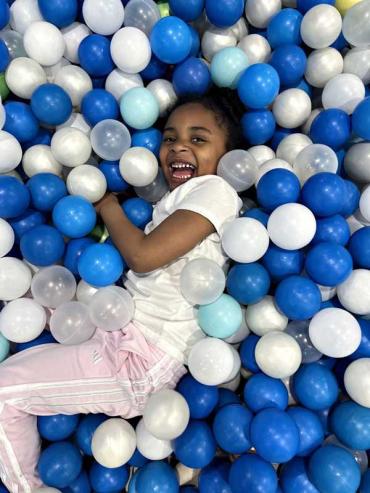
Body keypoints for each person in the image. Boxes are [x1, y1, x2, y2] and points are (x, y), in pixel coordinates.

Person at [0, 88, 244, 492]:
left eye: (198, 139)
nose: (178, 147)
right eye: (170, 138)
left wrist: (107, 205)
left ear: (229, 158)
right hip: (117, 331)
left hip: (137, 364)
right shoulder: (176, 199)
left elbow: (144, 256)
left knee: (4, 391)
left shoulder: (216, 190)